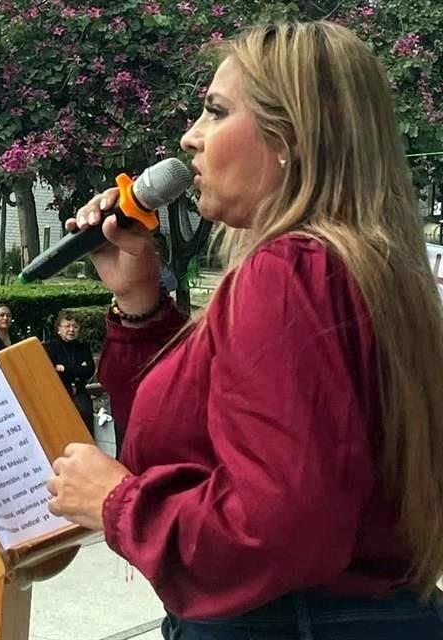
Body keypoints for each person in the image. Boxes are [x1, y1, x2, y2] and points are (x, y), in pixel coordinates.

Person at [46, 22, 443, 639]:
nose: (190, 138)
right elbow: (201, 427)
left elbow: (283, 521)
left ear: (290, 137)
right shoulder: (356, 267)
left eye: (215, 111)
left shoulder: (287, 274)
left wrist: (118, 504)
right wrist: (142, 300)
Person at [43, 310, 95, 435]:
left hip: (81, 394)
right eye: (67, 326)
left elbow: (89, 371)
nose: (71, 330)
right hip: (60, 394)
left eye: (75, 327)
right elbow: (50, 373)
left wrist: (65, 369)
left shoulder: (83, 347)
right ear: (58, 329)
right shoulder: (50, 348)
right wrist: (78, 370)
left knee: (86, 431)